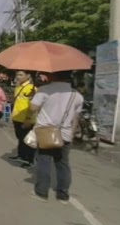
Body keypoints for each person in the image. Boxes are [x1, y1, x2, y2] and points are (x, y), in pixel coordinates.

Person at [25, 71, 83, 203]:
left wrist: (34, 98)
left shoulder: (44, 90)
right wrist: (72, 135)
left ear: (52, 76)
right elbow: (75, 118)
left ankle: (41, 192)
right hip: (65, 134)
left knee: (44, 161)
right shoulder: (77, 95)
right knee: (63, 164)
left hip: (46, 132)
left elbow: (33, 108)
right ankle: (63, 195)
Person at [10, 70, 37, 168]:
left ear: (28, 76)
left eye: (21, 75)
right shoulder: (19, 87)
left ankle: (30, 160)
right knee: (20, 139)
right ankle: (21, 155)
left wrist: (28, 119)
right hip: (17, 117)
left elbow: (32, 105)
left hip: (26, 119)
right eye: (17, 74)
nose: (18, 76)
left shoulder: (31, 88)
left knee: (28, 140)